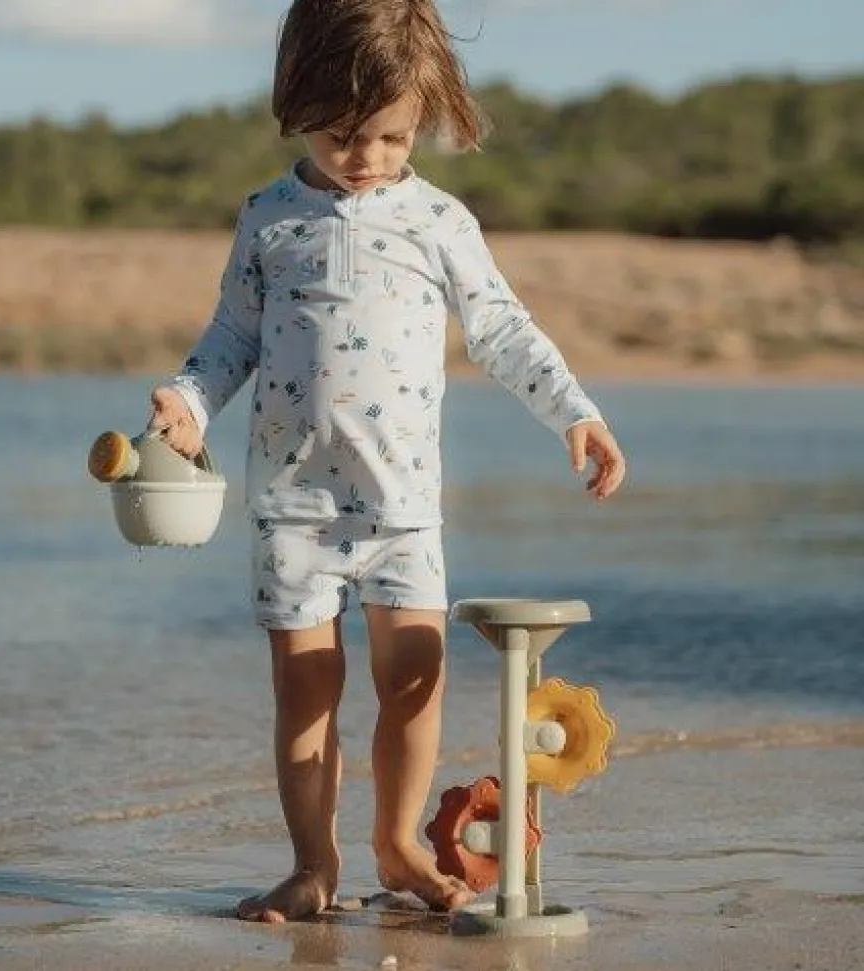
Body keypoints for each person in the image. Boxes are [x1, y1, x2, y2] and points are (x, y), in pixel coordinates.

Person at [148, 0, 626, 924]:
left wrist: (577, 412)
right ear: (299, 105)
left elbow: (504, 332)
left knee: (415, 675)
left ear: (425, 119)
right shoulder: (269, 219)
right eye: (341, 135)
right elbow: (228, 340)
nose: (364, 155)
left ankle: (399, 839)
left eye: (390, 136)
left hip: (402, 506)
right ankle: (312, 863)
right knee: (305, 688)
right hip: (295, 507)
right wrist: (187, 399)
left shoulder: (439, 219)